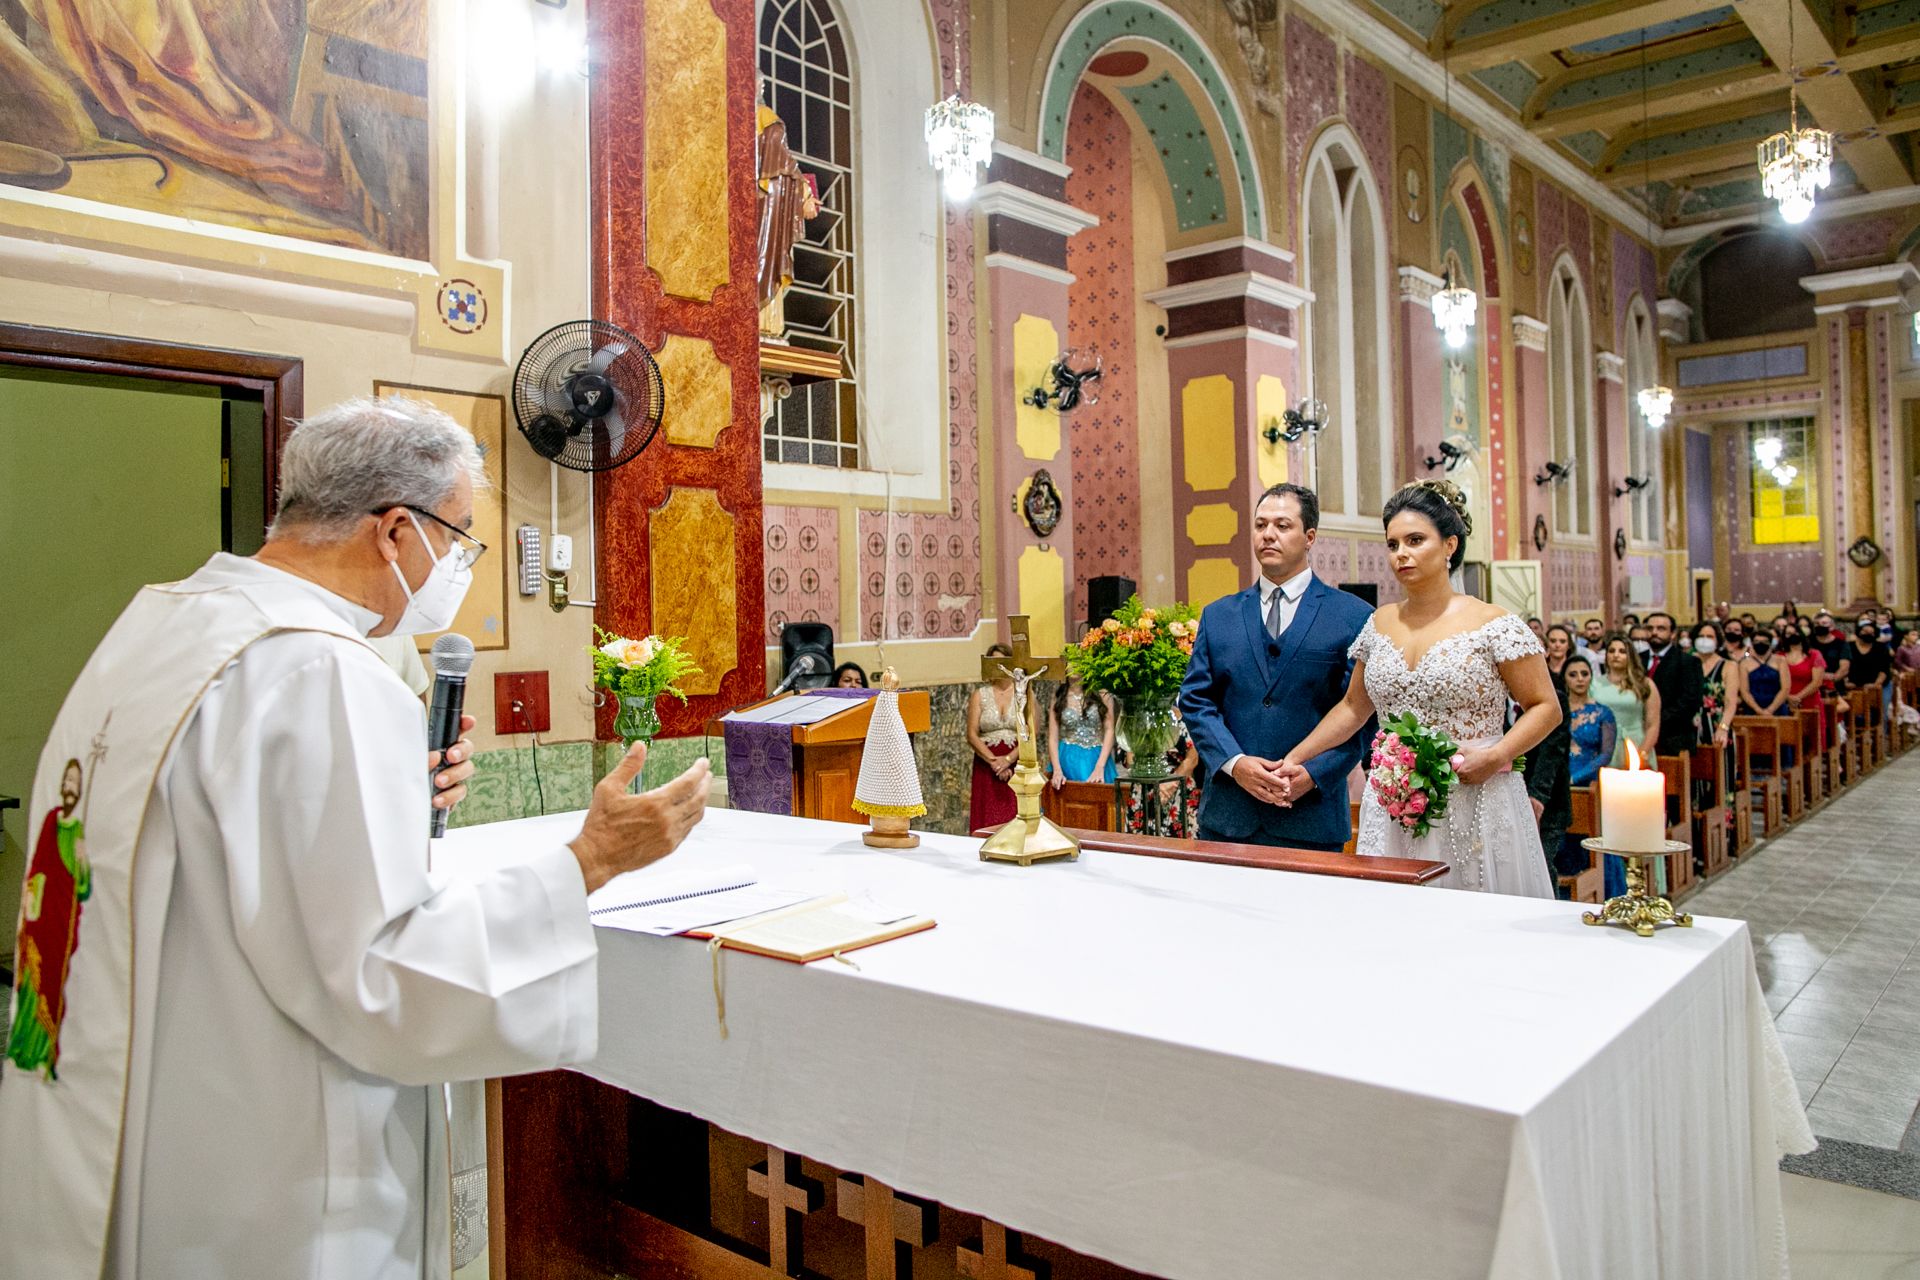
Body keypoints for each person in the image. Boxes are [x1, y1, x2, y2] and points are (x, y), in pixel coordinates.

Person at [0, 397, 714, 1278]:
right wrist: (591, 859)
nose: (456, 566)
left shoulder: (171, 625)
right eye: (457, 541)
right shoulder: (321, 670)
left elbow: (224, 838)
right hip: (269, 1158)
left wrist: (383, 797)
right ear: (395, 532)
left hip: (148, 1109)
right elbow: (384, 976)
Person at [1280, 481, 1559, 896]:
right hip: (1395, 801)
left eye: (1415, 540)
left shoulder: (1493, 623)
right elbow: (1354, 707)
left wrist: (1497, 754)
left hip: (1475, 793)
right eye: (1392, 544)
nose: (1401, 554)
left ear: (1449, 545)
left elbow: (1545, 707)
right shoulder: (1379, 623)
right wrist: (1295, 758)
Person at [1179, 483, 1373, 851]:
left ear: (1309, 536)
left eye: (1282, 525)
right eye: (1260, 525)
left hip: (1310, 818)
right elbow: (1195, 701)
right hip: (1228, 818)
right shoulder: (1219, 615)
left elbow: (1363, 717)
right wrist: (1235, 764)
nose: (1268, 534)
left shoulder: (1353, 616)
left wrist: (1312, 774)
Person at [1560, 655, 1617, 893]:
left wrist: (1577, 777)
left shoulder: (1603, 713)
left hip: (1588, 782)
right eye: (1573, 674)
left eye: (1584, 674)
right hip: (1560, 780)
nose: (1580, 679)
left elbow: (1605, 754)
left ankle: (1599, 890)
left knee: (1592, 836)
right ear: (1565, 679)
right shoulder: (1558, 711)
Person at [1122, 707, 1201, 837]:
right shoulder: (1136, 714)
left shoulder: (1190, 713)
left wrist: (1170, 782)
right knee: (1139, 848)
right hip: (1144, 789)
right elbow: (1130, 760)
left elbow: (1193, 758)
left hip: (1180, 789)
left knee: (1181, 851)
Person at [968, 643, 1022, 829]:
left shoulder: (1022, 693)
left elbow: (1030, 733)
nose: (998, 666)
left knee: (1013, 818)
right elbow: (972, 734)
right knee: (987, 817)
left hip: (1016, 761)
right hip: (987, 764)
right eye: (994, 662)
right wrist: (995, 763)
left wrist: (1008, 760)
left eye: (1002, 661)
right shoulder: (980, 695)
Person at [1593, 632, 1659, 766]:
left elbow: (1653, 724)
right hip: (1604, 746)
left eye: (1622, 651)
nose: (1616, 655)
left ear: (1630, 656)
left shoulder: (1645, 684)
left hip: (1637, 743)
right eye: (1611, 651)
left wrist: (1643, 754)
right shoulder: (1594, 684)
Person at [1645, 612, 1704, 759]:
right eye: (1650, 628)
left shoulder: (1687, 662)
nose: (1654, 632)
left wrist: (1655, 720)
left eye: (1661, 628)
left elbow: (1690, 701)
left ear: (1672, 634)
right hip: (1640, 735)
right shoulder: (1637, 659)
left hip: (1674, 737)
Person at [1048, 672, 1116, 786]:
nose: (1073, 665)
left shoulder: (1103, 695)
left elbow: (1110, 730)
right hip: (1066, 758)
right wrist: (1057, 769)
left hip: (1096, 757)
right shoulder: (1058, 696)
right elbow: (1052, 737)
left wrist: (1100, 766)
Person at [1741, 630, 1791, 717]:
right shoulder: (1744, 663)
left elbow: (1785, 688)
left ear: (1771, 644)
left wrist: (1770, 709)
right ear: (1752, 643)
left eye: (1764, 642)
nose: (1760, 644)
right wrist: (1759, 710)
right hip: (1752, 709)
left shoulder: (1781, 661)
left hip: (1777, 708)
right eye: (1757, 641)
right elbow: (1744, 691)